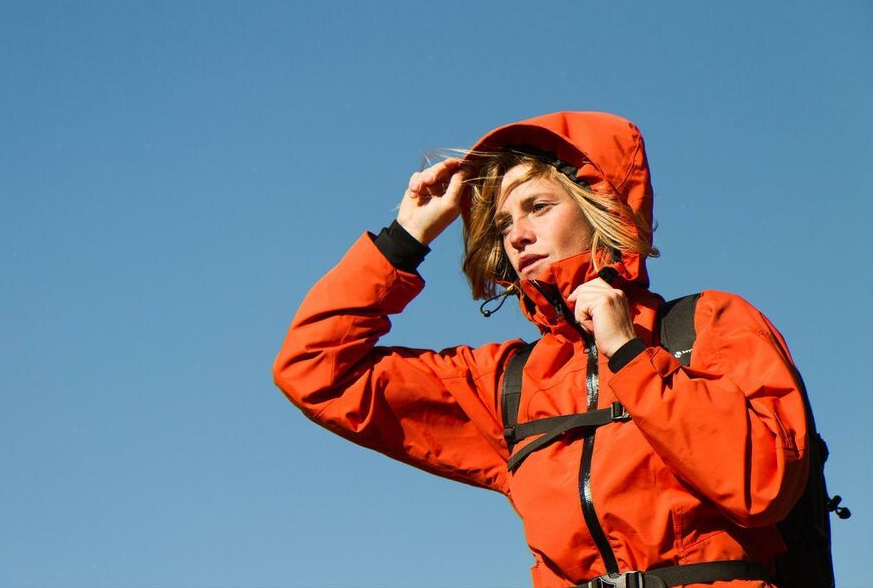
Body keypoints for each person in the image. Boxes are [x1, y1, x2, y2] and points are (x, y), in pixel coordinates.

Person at [272, 111, 809, 587]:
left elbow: (762, 485)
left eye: (539, 206)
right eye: (504, 223)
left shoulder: (709, 324)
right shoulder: (505, 383)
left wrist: (627, 353)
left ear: (601, 208)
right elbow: (315, 370)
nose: (517, 235)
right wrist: (405, 236)